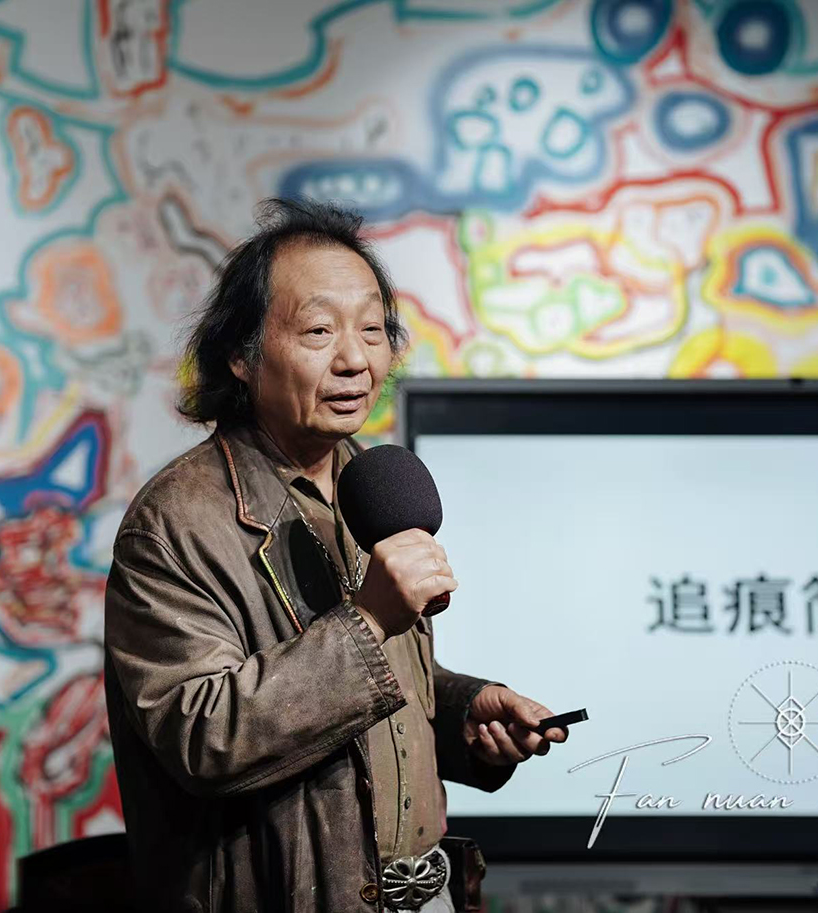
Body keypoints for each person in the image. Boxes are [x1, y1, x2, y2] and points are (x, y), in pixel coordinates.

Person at [104, 197, 570, 912]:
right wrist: (371, 618)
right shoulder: (174, 524)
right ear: (240, 355)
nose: (355, 359)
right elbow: (203, 735)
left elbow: (379, 697)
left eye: (373, 330)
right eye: (319, 331)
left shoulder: (370, 485)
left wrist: (463, 713)